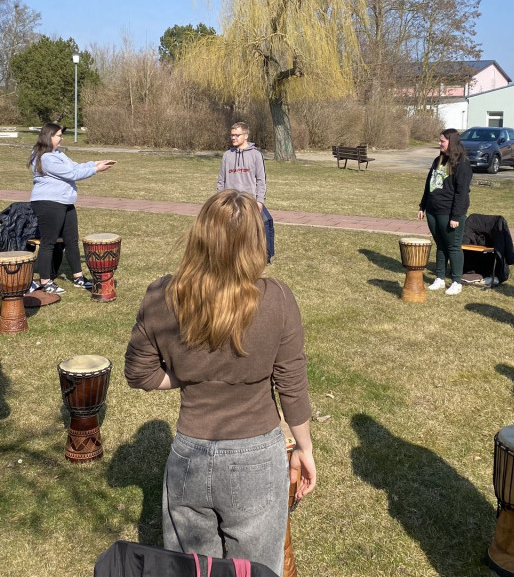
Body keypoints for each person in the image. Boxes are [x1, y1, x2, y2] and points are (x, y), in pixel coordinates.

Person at [125, 190, 315, 574]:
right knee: (258, 569)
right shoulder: (277, 298)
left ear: (199, 236)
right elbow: (291, 384)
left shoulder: (162, 294)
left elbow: (140, 373)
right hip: (258, 461)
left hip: (189, 457)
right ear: (256, 241)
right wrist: (304, 449)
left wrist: (190, 375)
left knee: (192, 569)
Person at [29, 122, 114, 294]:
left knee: (72, 240)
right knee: (49, 242)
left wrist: (95, 163)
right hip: (48, 202)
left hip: (65, 202)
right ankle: (45, 281)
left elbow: (75, 167)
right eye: (58, 136)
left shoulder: (58, 154)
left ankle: (78, 278)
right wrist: (96, 170)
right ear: (49, 136)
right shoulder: (45, 158)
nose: (61, 139)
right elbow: (72, 174)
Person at [418, 128, 473, 296]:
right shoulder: (438, 160)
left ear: (452, 142)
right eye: (439, 140)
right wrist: (422, 206)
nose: (439, 143)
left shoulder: (462, 164)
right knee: (441, 245)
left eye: (442, 141)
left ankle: (457, 281)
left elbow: (461, 193)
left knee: (453, 246)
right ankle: (440, 278)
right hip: (433, 211)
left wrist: (456, 216)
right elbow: (429, 184)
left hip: (449, 213)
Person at [216, 122, 274, 263]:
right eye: (232, 135)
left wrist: (259, 201)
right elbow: (221, 180)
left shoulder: (256, 155)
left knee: (266, 222)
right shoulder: (227, 156)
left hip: (250, 201)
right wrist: (220, 200)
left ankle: (265, 256)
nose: (234, 138)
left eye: (237, 135)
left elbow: (261, 180)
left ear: (246, 136)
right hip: (231, 201)